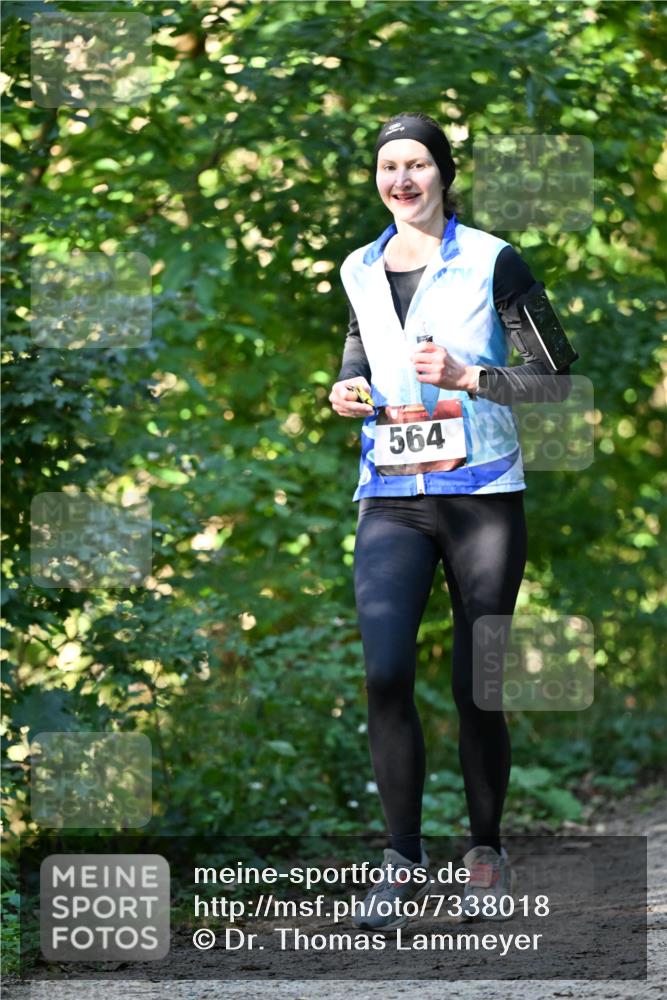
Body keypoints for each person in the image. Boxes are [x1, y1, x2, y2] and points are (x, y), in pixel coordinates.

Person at [329, 111, 574, 931]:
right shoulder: (358, 267)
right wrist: (345, 389)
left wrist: (472, 376)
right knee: (385, 670)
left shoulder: (492, 259)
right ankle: (400, 857)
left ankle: (484, 849)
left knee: (477, 685)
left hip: (482, 499)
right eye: (387, 167)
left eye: (416, 165)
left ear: (443, 173)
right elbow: (360, 352)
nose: (401, 180)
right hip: (390, 496)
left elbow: (552, 380)